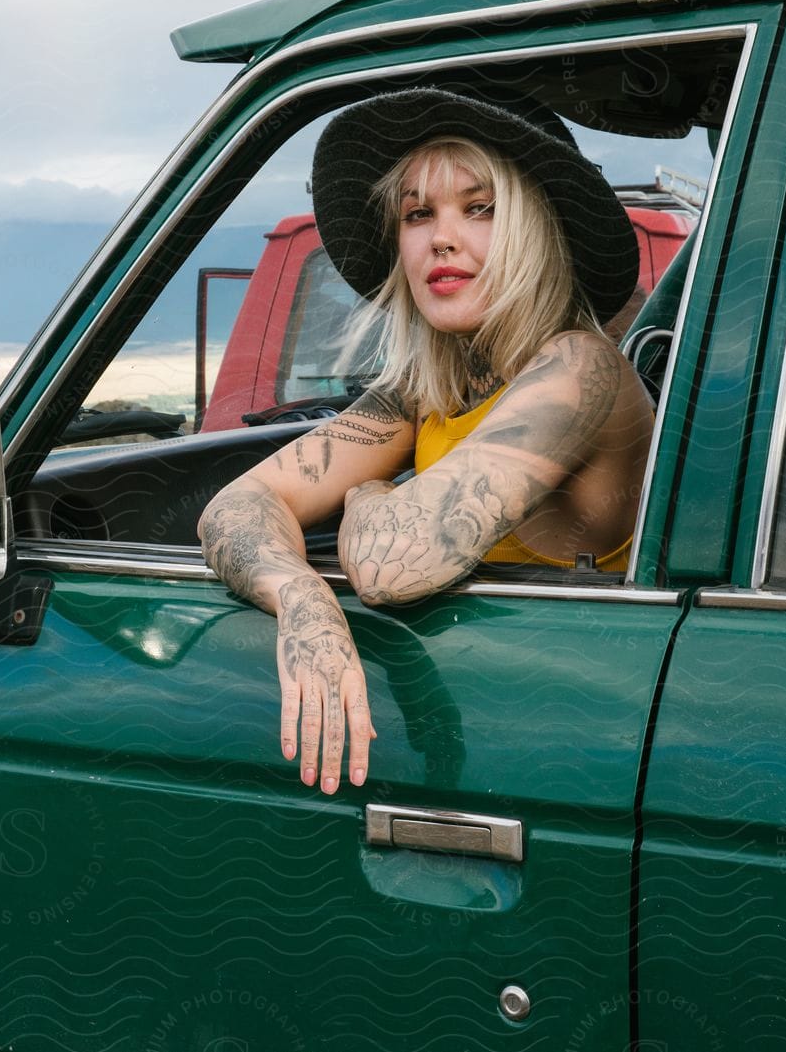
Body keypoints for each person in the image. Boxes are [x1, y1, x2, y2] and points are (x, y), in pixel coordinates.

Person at [197, 87, 656, 795]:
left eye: (479, 208)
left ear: (534, 230)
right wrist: (297, 592)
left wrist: (368, 492)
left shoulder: (580, 367)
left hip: (568, 738)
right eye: (418, 214)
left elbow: (388, 569)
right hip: (469, 728)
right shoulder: (425, 390)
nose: (441, 237)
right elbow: (238, 502)